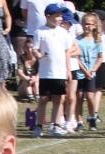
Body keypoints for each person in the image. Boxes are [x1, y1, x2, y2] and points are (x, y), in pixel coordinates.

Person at [32, 3, 76, 136]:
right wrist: (38, 55)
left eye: (60, 16)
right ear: (48, 16)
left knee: (58, 99)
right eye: (57, 16)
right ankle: (39, 126)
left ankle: (55, 125)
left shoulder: (63, 32)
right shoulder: (40, 31)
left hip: (60, 72)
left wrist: (68, 70)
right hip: (46, 72)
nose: (60, 18)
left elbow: (67, 52)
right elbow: (35, 48)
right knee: (44, 99)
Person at [76, 12, 105, 128]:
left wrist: (93, 70)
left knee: (89, 96)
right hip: (79, 72)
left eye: (89, 24)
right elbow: (76, 58)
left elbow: (100, 58)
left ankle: (92, 116)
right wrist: (84, 70)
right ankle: (79, 121)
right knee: (78, 97)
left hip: (91, 73)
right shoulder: (77, 40)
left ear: (94, 25)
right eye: (85, 24)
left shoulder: (97, 40)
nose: (87, 26)